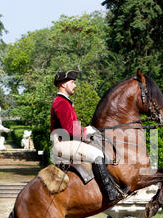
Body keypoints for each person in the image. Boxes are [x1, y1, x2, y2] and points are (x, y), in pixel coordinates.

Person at [50, 70, 124, 205]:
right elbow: (69, 129)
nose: (75, 85)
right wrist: (85, 131)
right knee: (97, 154)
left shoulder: (65, 102)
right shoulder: (60, 102)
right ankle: (110, 193)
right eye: (72, 82)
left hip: (68, 141)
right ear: (63, 84)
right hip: (62, 144)